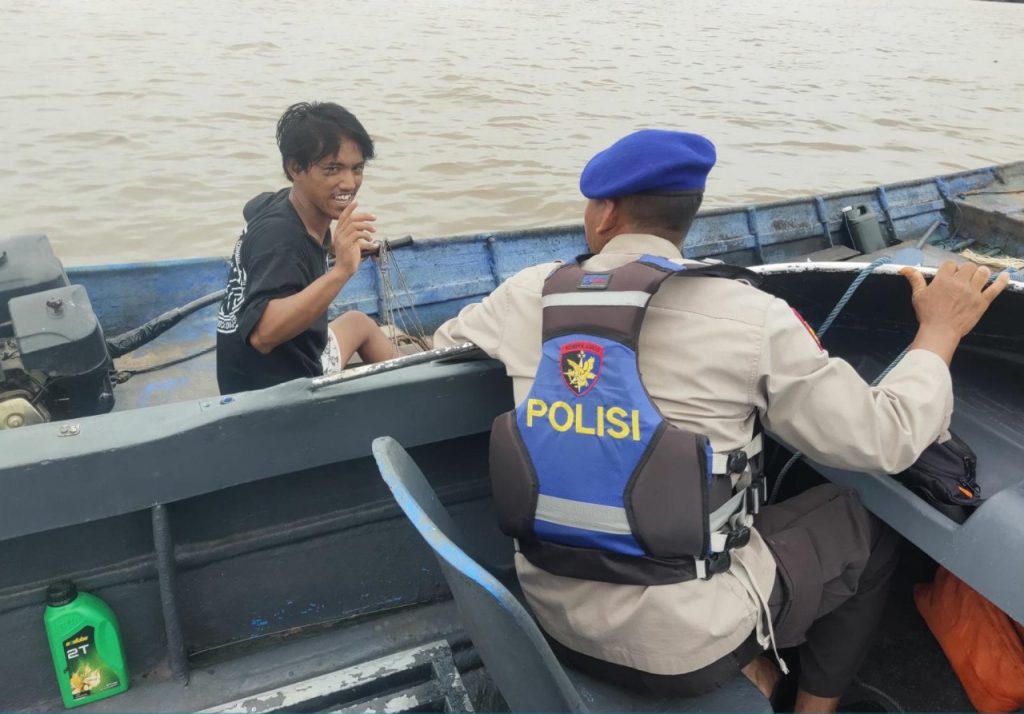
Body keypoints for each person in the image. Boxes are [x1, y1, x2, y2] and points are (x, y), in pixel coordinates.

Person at [433, 129, 1009, 712]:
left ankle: (760, 667)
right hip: (679, 648)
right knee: (871, 529)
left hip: (546, 614)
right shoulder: (751, 315)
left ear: (604, 213)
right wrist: (939, 331)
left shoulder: (528, 292)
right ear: (686, 220)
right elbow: (886, 440)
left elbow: (444, 342)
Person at [216, 102, 394, 394]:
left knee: (358, 323)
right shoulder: (283, 238)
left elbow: (252, 206)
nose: (349, 182)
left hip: (242, 374)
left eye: (357, 168)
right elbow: (264, 335)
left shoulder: (285, 204)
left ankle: (412, 377)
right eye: (332, 169)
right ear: (294, 168)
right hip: (275, 392)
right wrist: (342, 270)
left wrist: (334, 249)